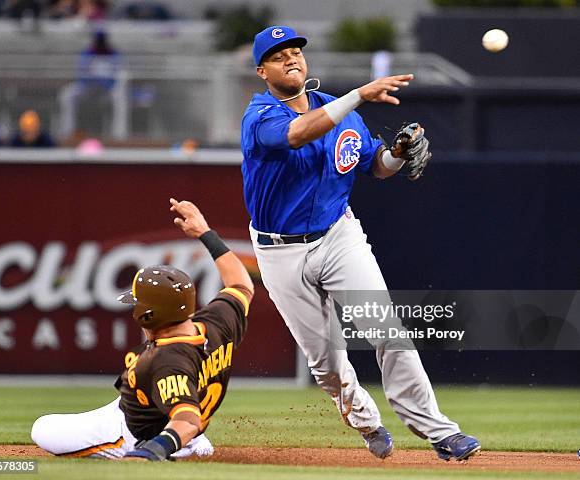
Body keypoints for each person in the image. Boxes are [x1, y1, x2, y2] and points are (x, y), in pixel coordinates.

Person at [241, 25, 480, 461]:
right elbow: (296, 134)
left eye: (295, 51)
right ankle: (366, 421)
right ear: (262, 71)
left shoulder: (340, 112)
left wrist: (399, 154)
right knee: (327, 364)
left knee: (387, 330)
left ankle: (440, 432)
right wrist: (360, 94)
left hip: (338, 235)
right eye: (278, 56)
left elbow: (375, 166)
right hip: (280, 250)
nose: (291, 58)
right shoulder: (259, 116)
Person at [31, 199, 254, 461]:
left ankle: (180, 445)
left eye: (137, 303)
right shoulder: (217, 322)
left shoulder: (168, 360)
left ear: (149, 315)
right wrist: (205, 233)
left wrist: (152, 450)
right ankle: (186, 440)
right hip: (150, 407)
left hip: (132, 433)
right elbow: (242, 285)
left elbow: (187, 418)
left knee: (43, 429)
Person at [58, 30, 121, 139]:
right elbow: (81, 75)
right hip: (87, 89)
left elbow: (115, 76)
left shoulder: (113, 54)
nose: (100, 43)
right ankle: (68, 132)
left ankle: (117, 135)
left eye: (102, 40)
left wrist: (102, 81)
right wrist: (93, 79)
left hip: (106, 91)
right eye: (98, 40)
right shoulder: (87, 53)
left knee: (119, 98)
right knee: (67, 95)